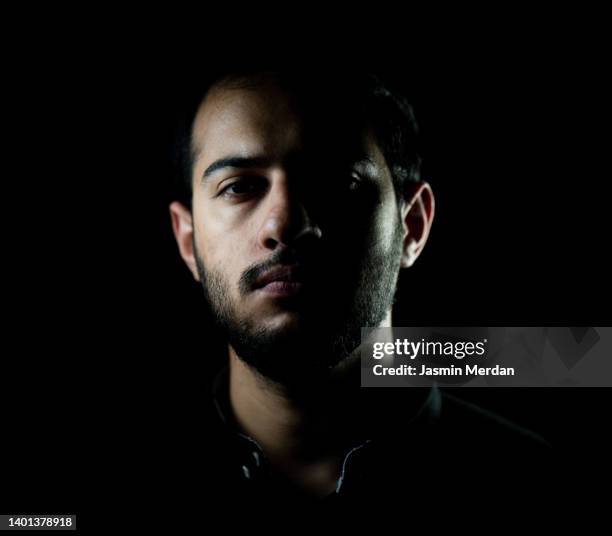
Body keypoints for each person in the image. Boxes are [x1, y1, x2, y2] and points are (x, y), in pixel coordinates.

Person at [167, 70, 550, 508]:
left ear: (412, 226)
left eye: (334, 180)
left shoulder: (537, 485)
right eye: (239, 186)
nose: (284, 224)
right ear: (187, 241)